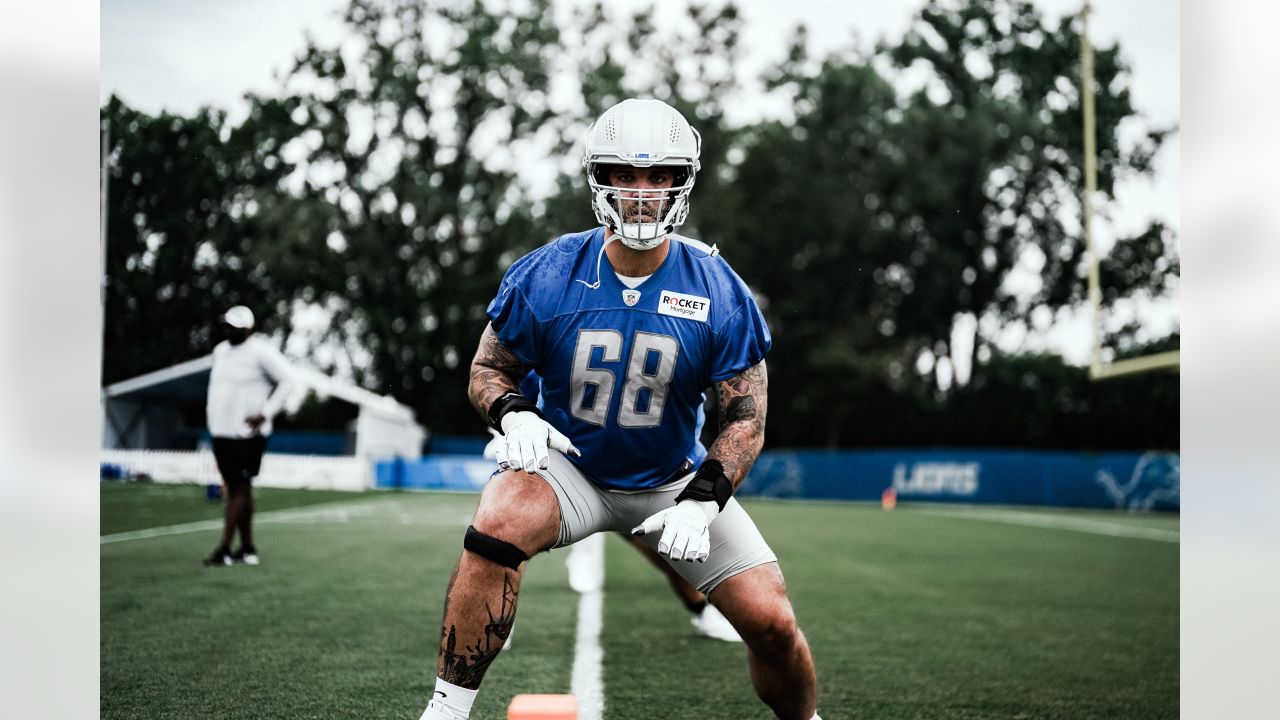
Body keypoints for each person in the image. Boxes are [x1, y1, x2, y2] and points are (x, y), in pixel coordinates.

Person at [418, 98, 821, 720]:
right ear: (597, 179)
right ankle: (445, 712)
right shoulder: (549, 273)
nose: (640, 193)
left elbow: (745, 418)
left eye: (659, 175)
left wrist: (704, 497)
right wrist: (515, 414)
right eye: (624, 174)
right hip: (570, 470)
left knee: (771, 622)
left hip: (673, 479)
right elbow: (488, 368)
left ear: (682, 183)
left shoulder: (718, 288)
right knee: (497, 519)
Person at [484, 373, 743, 643]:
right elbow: (509, 385)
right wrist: (510, 426)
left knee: (668, 542)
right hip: (564, 465)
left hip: (629, 472)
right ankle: (498, 619)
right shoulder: (552, 341)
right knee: (512, 529)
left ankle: (700, 609)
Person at [202, 305, 297, 567]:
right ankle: (247, 548)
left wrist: (265, 413)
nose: (228, 330)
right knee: (240, 488)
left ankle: (224, 549)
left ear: (247, 328)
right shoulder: (220, 351)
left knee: (238, 488)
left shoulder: (261, 352)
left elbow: (289, 379)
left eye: (234, 326)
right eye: (227, 325)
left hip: (247, 435)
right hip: (221, 432)